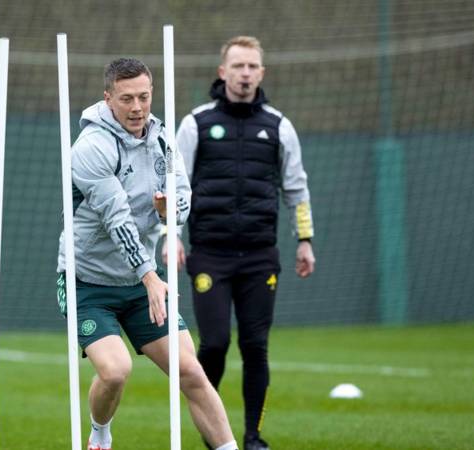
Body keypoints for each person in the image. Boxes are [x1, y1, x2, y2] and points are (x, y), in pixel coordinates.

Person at [57, 58, 239, 450]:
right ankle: (100, 434)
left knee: (190, 370)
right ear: (108, 99)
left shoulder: (161, 138)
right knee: (117, 370)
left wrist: (168, 213)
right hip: (87, 281)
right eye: (126, 99)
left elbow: (183, 199)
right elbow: (115, 218)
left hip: (141, 282)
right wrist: (149, 274)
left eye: (143, 96)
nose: (137, 107)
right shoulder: (90, 148)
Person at [169, 36, 316, 450]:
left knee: (255, 346)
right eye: (238, 66)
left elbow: (297, 189)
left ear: (262, 73)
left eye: (252, 66)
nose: (245, 73)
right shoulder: (195, 123)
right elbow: (176, 187)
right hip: (209, 256)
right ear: (222, 72)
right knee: (214, 344)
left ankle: (252, 436)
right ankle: (210, 430)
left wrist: (305, 239)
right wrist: (171, 236)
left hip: (259, 257)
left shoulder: (278, 126)